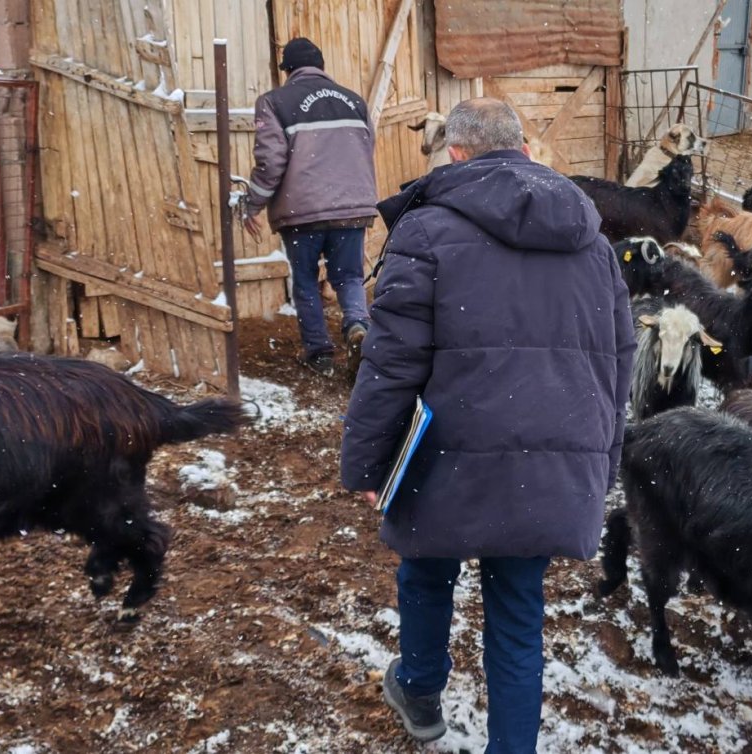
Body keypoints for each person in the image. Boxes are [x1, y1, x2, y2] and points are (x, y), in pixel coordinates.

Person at [340, 98, 634, 752]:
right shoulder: (590, 240)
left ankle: (418, 688)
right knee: (517, 617)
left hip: (447, 454)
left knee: (426, 569)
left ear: (456, 154)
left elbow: (391, 362)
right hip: (549, 463)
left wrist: (367, 465)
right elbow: (621, 362)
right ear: (525, 150)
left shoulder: (427, 231)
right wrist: (599, 462)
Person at [243, 37, 378, 378]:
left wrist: (252, 203)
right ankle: (357, 326)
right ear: (321, 66)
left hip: (302, 211)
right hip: (351, 207)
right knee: (348, 275)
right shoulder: (355, 101)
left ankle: (319, 353)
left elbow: (270, 162)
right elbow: (366, 147)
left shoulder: (274, 102)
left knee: (305, 280)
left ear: (287, 70)